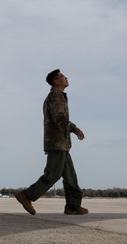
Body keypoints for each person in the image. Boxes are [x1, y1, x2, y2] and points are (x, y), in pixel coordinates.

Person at [15, 69, 88, 215]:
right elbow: (59, 118)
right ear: (56, 81)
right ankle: (27, 195)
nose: (66, 78)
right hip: (57, 143)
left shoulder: (59, 96)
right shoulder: (56, 96)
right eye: (62, 76)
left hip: (62, 144)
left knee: (70, 176)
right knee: (53, 174)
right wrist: (75, 129)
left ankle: (72, 206)